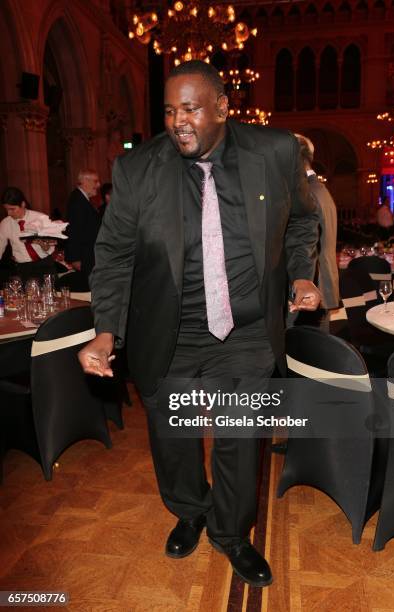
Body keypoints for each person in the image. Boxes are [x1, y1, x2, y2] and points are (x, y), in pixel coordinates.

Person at [78, 61, 320, 588]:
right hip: (171, 331)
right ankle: (189, 510)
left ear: (223, 108)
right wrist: (105, 330)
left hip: (248, 331)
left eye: (189, 108)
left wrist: (301, 274)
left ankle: (232, 535)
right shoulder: (139, 170)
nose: (177, 121)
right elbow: (114, 255)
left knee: (239, 437)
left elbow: (303, 219)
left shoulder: (275, 153)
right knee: (174, 438)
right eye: (169, 110)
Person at [295, 134, 339, 327]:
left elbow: (307, 245)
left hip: (314, 283)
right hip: (322, 281)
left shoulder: (307, 194)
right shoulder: (319, 189)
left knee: (309, 353)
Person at [0, 186, 57, 280]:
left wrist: (43, 244)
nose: (9, 213)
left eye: (12, 209)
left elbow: (50, 248)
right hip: (23, 268)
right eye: (6, 209)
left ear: (22, 204)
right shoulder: (5, 224)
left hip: (45, 265)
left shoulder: (40, 218)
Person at [64, 169, 101, 285]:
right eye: (95, 181)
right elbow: (74, 230)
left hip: (88, 255)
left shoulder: (82, 199)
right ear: (85, 181)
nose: (98, 185)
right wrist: (75, 258)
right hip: (84, 256)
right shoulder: (78, 201)